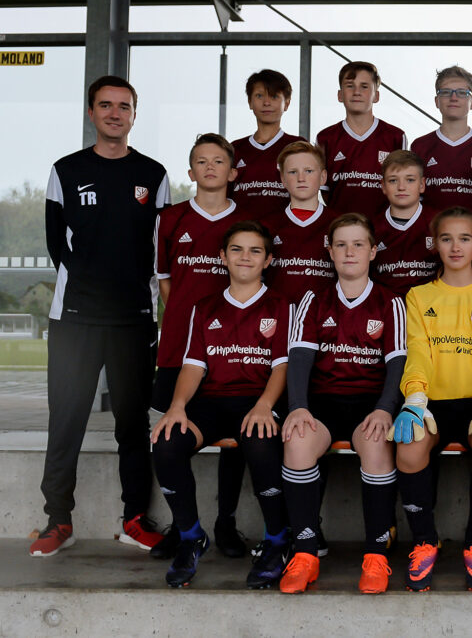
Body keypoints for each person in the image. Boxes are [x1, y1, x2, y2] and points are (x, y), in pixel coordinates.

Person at [33, 75, 170, 557]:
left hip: (133, 318)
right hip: (75, 319)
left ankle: (134, 519)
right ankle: (57, 520)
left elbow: (159, 249)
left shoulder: (153, 174)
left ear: (134, 114)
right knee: (66, 421)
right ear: (91, 112)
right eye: (106, 105)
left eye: (124, 106)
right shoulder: (65, 170)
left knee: (132, 424)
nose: (115, 113)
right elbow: (57, 244)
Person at [150, 220, 291, 589]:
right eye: (237, 249)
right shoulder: (205, 307)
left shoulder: (282, 306)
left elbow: (282, 367)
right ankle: (190, 536)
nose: (245, 257)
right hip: (212, 402)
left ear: (268, 260)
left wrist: (264, 405)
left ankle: (277, 540)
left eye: (255, 250)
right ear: (222, 257)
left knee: (260, 441)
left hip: (259, 400)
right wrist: (177, 406)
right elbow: (193, 366)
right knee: (166, 442)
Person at [279, 213, 407, 594]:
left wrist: (385, 409)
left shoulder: (390, 301)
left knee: (377, 443)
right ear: (330, 251)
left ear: (373, 251)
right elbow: (299, 358)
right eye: (341, 244)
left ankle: (376, 557)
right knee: (297, 440)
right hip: (323, 404)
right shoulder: (314, 300)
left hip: (371, 404)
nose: (350, 252)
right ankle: (305, 554)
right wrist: (298, 406)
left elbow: (398, 365)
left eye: (358, 244)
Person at [390, 206, 472, 593]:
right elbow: (418, 352)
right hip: (431, 402)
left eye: (464, 238)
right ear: (434, 244)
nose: (455, 247)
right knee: (409, 449)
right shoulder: (418, 296)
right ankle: (425, 542)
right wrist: (415, 398)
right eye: (446, 238)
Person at [150, 134, 246, 561]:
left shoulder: (246, 221)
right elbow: (166, 282)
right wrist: (189, 325)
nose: (210, 167)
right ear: (190, 172)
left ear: (233, 172)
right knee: (174, 434)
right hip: (179, 349)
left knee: (237, 438)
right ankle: (183, 525)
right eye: (202, 161)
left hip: (233, 350)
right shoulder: (170, 218)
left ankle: (226, 522)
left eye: (219, 161)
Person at [316, 61, 407, 214]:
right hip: (340, 224)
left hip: (382, 225)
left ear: (376, 95)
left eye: (364, 86)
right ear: (340, 95)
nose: (356, 92)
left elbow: (401, 188)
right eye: (350, 86)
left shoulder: (395, 136)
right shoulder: (326, 137)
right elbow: (324, 191)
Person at [260, 141, 337, 307]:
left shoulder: (339, 225)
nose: (301, 178)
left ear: (323, 177)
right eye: (293, 172)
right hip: (277, 316)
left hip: (325, 317)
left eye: (309, 171)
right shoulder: (265, 226)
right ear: (283, 179)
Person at [229, 69, 304, 220]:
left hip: (285, 229)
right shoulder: (235, 148)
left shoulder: (298, 146)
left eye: (274, 96)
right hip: (242, 229)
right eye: (259, 96)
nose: (266, 103)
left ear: (287, 103)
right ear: (250, 102)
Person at [411, 66, 472, 209]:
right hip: (431, 224)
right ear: (436, 101)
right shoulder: (420, 146)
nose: (453, 98)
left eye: (462, 93)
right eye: (446, 92)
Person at [370, 150, 439, 295]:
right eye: (393, 180)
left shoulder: (439, 223)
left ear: (422, 184)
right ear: (383, 186)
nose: (401, 187)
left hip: (431, 306)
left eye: (410, 180)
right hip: (385, 306)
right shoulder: (371, 228)